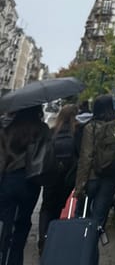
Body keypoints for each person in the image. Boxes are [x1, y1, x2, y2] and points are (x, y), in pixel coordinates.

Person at [0, 105, 50, 265]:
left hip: (9, 179)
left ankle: (3, 255)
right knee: (23, 222)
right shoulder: (42, 129)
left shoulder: (8, 127)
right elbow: (48, 154)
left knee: (5, 222)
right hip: (31, 181)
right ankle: (15, 258)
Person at [74, 95, 115, 229]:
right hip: (110, 178)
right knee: (98, 219)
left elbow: (86, 156)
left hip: (92, 177)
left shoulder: (91, 127)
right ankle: (92, 246)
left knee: (81, 214)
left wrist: (80, 185)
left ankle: (80, 245)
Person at [37, 103, 80, 255]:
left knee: (46, 207)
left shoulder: (52, 131)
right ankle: (51, 238)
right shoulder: (78, 133)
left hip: (51, 175)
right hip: (67, 178)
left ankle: (42, 239)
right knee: (57, 208)